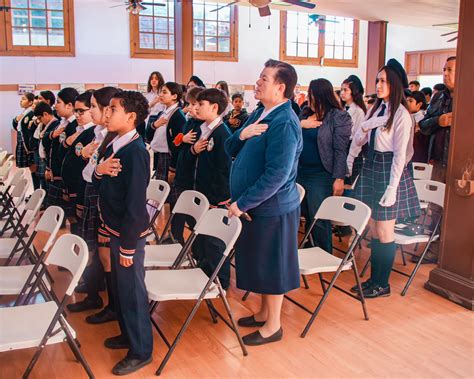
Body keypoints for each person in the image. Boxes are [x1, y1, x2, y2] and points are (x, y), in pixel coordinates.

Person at [226, 59, 302, 346]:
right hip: (255, 206)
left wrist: (243, 202)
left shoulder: (284, 122)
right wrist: (240, 134)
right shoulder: (260, 112)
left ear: (281, 88)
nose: (257, 83)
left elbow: (278, 175)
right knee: (260, 264)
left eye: (264, 79)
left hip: (273, 208)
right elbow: (229, 147)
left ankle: (273, 325)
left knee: (272, 267)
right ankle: (261, 313)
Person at [93, 91, 153, 375]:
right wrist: (98, 171)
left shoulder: (136, 152)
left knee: (132, 293)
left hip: (129, 235)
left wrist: (128, 247)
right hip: (116, 228)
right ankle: (128, 335)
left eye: (113, 109)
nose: (107, 113)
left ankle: (141, 350)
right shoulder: (115, 144)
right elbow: (98, 176)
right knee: (120, 288)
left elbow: (134, 204)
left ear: (130, 117)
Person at [351, 59, 421, 298]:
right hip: (371, 165)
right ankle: (373, 280)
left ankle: (382, 283)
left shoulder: (401, 114)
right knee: (372, 228)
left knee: (384, 231)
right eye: (377, 80)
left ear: (395, 84)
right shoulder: (376, 109)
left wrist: (393, 188)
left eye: (383, 81)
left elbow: (401, 155)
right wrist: (366, 127)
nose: (378, 85)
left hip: (389, 170)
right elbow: (360, 139)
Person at [67, 87, 121, 322]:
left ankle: (112, 304)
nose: (90, 112)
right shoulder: (99, 134)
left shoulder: (113, 138)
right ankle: (95, 293)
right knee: (93, 248)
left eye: (93, 107)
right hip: (90, 191)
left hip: (101, 196)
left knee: (104, 252)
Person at [298, 78, 352, 252]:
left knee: (318, 215)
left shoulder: (338, 116)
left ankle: (322, 250)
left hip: (321, 174)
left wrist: (339, 178)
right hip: (300, 171)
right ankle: (310, 245)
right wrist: (301, 125)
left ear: (320, 95)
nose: (308, 98)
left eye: (311, 95)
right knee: (306, 213)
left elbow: (340, 149)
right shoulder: (305, 113)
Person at [190, 88, 232, 288]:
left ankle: (220, 281)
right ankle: (204, 272)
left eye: (201, 105)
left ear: (215, 107)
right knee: (202, 239)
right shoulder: (203, 129)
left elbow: (224, 170)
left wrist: (217, 200)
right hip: (203, 193)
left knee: (214, 241)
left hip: (215, 198)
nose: (196, 108)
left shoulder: (222, 133)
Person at [418, 56, 455, 262]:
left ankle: (451, 254)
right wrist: (439, 120)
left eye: (450, 70)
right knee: (435, 206)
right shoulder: (439, 97)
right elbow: (424, 125)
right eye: (444, 69)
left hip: (458, 163)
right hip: (438, 160)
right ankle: (433, 250)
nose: (445, 73)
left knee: (455, 210)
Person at [169, 86, 204, 242]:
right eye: (188, 104)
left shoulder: (202, 126)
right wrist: (181, 139)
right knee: (177, 206)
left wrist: (185, 144)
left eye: (192, 104)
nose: (188, 108)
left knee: (190, 212)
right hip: (182, 170)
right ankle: (175, 237)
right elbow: (177, 141)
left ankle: (186, 241)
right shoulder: (190, 122)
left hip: (191, 176)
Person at [146, 82, 186, 181]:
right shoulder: (162, 113)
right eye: (160, 92)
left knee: (166, 192)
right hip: (159, 155)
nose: (160, 95)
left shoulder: (178, 116)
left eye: (164, 92)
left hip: (168, 158)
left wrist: (173, 168)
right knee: (159, 191)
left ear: (174, 96)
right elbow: (148, 135)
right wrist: (154, 125)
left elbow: (178, 144)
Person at [343, 75, 368, 184]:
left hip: (352, 150)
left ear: (354, 91)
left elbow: (358, 138)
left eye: (345, 90)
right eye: (342, 89)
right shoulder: (342, 109)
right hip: (342, 148)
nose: (342, 93)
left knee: (349, 186)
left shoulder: (359, 112)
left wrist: (350, 159)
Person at [12, 93, 35, 171]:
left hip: (27, 142)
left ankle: (36, 183)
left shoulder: (31, 112)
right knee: (30, 167)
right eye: (21, 99)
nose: (21, 101)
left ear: (30, 102)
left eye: (24, 99)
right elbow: (16, 126)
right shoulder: (24, 112)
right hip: (22, 139)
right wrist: (16, 120)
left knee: (33, 166)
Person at [143, 71, 166, 137]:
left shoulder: (163, 95)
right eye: (152, 78)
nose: (153, 80)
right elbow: (143, 110)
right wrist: (152, 104)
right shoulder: (147, 95)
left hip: (160, 122)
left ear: (160, 80)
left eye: (156, 79)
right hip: (148, 122)